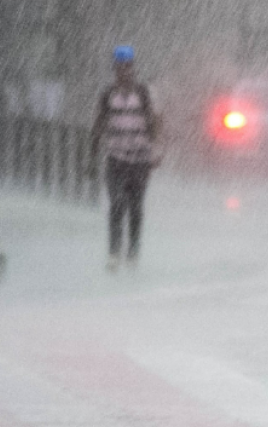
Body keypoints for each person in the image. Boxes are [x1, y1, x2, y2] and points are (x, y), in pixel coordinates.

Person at [90, 45, 162, 272]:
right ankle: (114, 253)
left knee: (136, 207)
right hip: (115, 159)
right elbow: (98, 125)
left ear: (133, 68)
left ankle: (133, 252)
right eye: (120, 67)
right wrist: (92, 158)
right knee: (117, 204)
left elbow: (157, 124)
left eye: (128, 66)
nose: (124, 71)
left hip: (140, 160)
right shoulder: (107, 95)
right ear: (115, 69)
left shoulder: (144, 94)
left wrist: (156, 151)